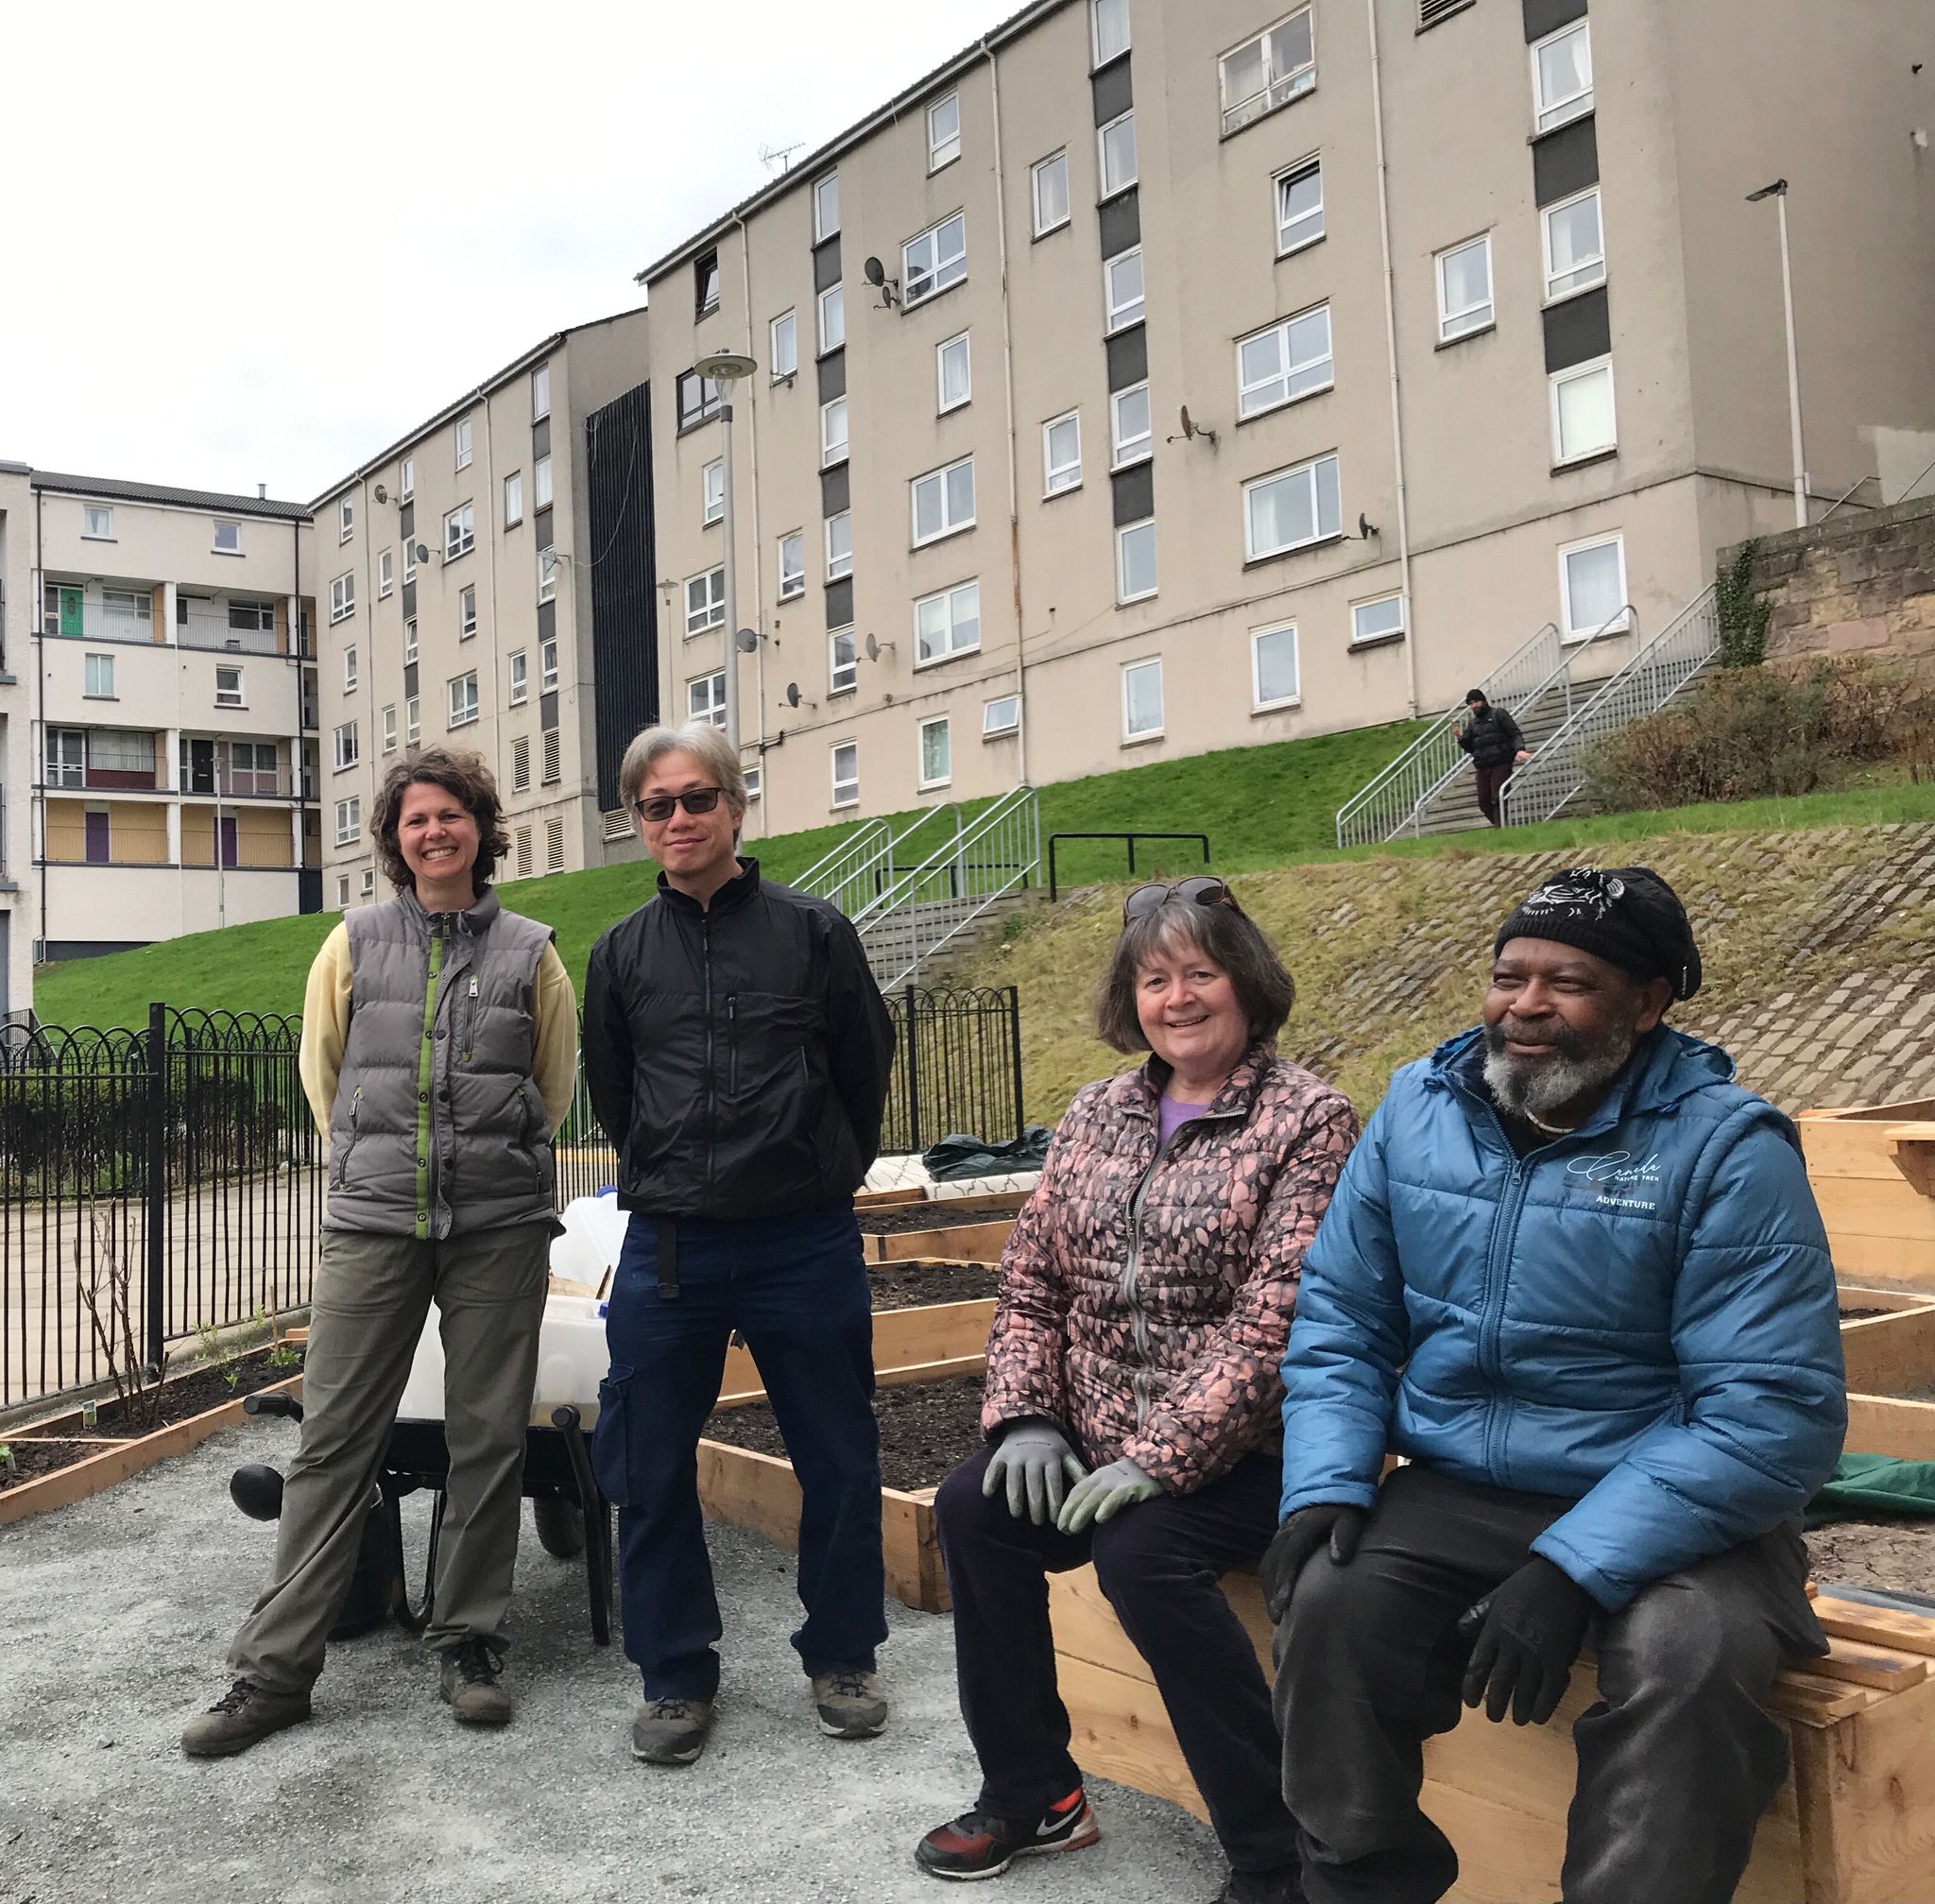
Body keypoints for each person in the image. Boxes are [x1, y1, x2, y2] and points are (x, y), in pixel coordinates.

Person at [1265, 866, 1846, 1904]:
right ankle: (1358, 1884)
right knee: (1329, 1606)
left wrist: (1573, 1568)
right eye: (1508, 975)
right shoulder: (1416, 1109)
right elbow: (1343, 1317)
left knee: (1689, 1655)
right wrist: (1327, 1478)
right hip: (1461, 1484)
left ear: (1646, 1002)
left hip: (1678, 1506)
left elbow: (1771, 1412)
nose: (1525, 1005)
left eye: (1568, 982)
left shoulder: (1725, 1147)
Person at [916, 877, 1359, 1904]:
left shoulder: (1308, 1119)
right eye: (1154, 979)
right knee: (972, 1506)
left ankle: (1275, 1854)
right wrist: (1026, 1418)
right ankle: (1033, 1791)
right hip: (1095, 1432)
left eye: (1200, 972)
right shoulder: (1096, 1111)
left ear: (1245, 980)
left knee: (1140, 1549)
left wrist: (1159, 1456)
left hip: (1254, 1449)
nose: (1177, 997)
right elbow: (1031, 1281)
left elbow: (1277, 1321)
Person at [182, 747, 579, 1757]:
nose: (434, 831)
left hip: (499, 1224)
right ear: (396, 840)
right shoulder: (353, 940)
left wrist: (484, 1161)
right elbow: (323, 1075)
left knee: (488, 1435)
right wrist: (380, 1161)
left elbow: (552, 1086)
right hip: (373, 1222)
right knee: (333, 1439)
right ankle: (275, 1671)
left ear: (481, 829)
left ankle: (467, 1641)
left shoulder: (532, 951)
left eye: (451, 814)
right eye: (416, 819)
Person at [583, 720, 896, 1767]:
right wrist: (676, 1172)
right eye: (657, 805)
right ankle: (674, 1673)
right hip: (670, 1246)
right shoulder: (620, 953)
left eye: (697, 798)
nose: (679, 818)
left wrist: (816, 1170)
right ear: (638, 823)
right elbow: (616, 1095)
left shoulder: (814, 932)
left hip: (801, 1240)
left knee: (838, 1454)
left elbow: (863, 1068)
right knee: (646, 1461)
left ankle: (842, 1653)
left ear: (735, 805)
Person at [1454, 689, 1531, 827]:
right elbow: (1470, 748)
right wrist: (1461, 738)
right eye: (1471, 703)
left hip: (1501, 763)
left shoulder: (1498, 714)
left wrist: (1520, 749)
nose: (1474, 706)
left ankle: (1500, 829)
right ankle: (1499, 827)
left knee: (1497, 798)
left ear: (1483, 701)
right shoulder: (1473, 724)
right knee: (1483, 802)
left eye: (1476, 702)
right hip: (1482, 766)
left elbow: (1514, 733)